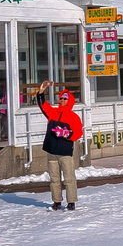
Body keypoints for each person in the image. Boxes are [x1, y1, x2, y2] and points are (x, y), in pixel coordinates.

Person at [36, 80, 84, 210]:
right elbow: (42, 104)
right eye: (61, 98)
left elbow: (79, 132)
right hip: (51, 151)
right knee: (54, 179)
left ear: (70, 101)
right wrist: (42, 90)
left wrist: (66, 134)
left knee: (69, 178)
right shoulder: (53, 112)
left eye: (64, 98)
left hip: (65, 152)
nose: (62, 100)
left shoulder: (74, 117)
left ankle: (71, 202)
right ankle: (56, 201)